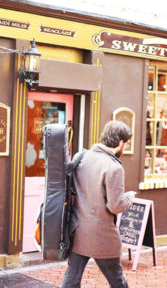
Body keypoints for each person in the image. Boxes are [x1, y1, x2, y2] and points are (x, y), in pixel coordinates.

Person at [61, 120, 136, 288]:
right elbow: (115, 206)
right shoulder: (114, 167)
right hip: (102, 236)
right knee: (117, 281)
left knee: (71, 279)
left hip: (78, 230)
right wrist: (130, 197)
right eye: (126, 143)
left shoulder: (81, 156)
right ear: (120, 143)